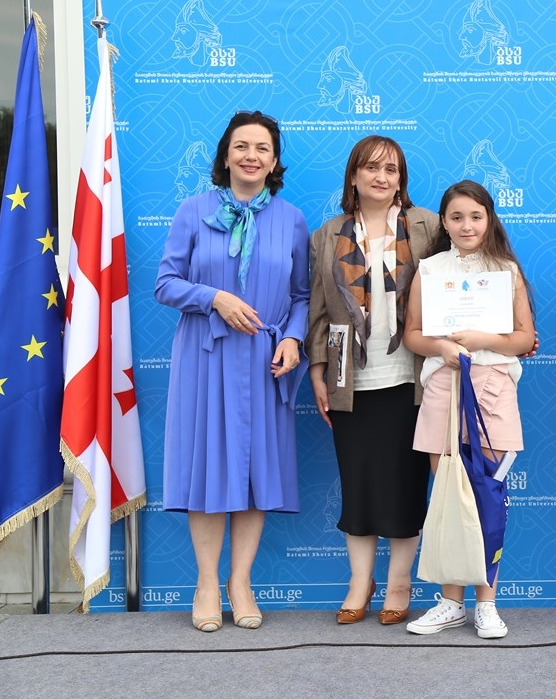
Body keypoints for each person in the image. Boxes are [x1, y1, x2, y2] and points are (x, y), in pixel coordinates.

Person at [156, 111, 310, 632]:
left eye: (262, 148)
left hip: (265, 363)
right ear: (226, 155)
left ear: (274, 160)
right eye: (241, 146)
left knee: (254, 470)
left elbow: (302, 296)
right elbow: (165, 284)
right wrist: (215, 298)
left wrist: (292, 338)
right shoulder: (193, 210)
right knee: (208, 467)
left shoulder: (291, 219)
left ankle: (239, 583)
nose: (251, 156)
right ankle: (205, 583)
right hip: (206, 357)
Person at [306, 135, 437, 626]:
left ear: (401, 180)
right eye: (372, 168)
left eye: (391, 169)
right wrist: (317, 370)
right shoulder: (328, 234)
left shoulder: (427, 225)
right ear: (354, 176)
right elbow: (319, 310)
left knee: (406, 485)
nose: (382, 177)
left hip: (413, 377)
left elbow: (464, 277)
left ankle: (400, 582)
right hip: (350, 379)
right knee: (357, 485)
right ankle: (360, 582)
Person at [402, 180, 535, 639]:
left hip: (493, 389)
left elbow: (524, 338)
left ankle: (487, 603)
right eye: (456, 217)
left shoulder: (506, 271)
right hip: (444, 386)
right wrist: (441, 346)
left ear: (489, 219)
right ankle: (450, 603)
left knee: (486, 497)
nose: (466, 225)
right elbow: (412, 334)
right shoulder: (430, 269)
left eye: (476, 216)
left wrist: (484, 340)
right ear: (443, 222)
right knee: (448, 500)